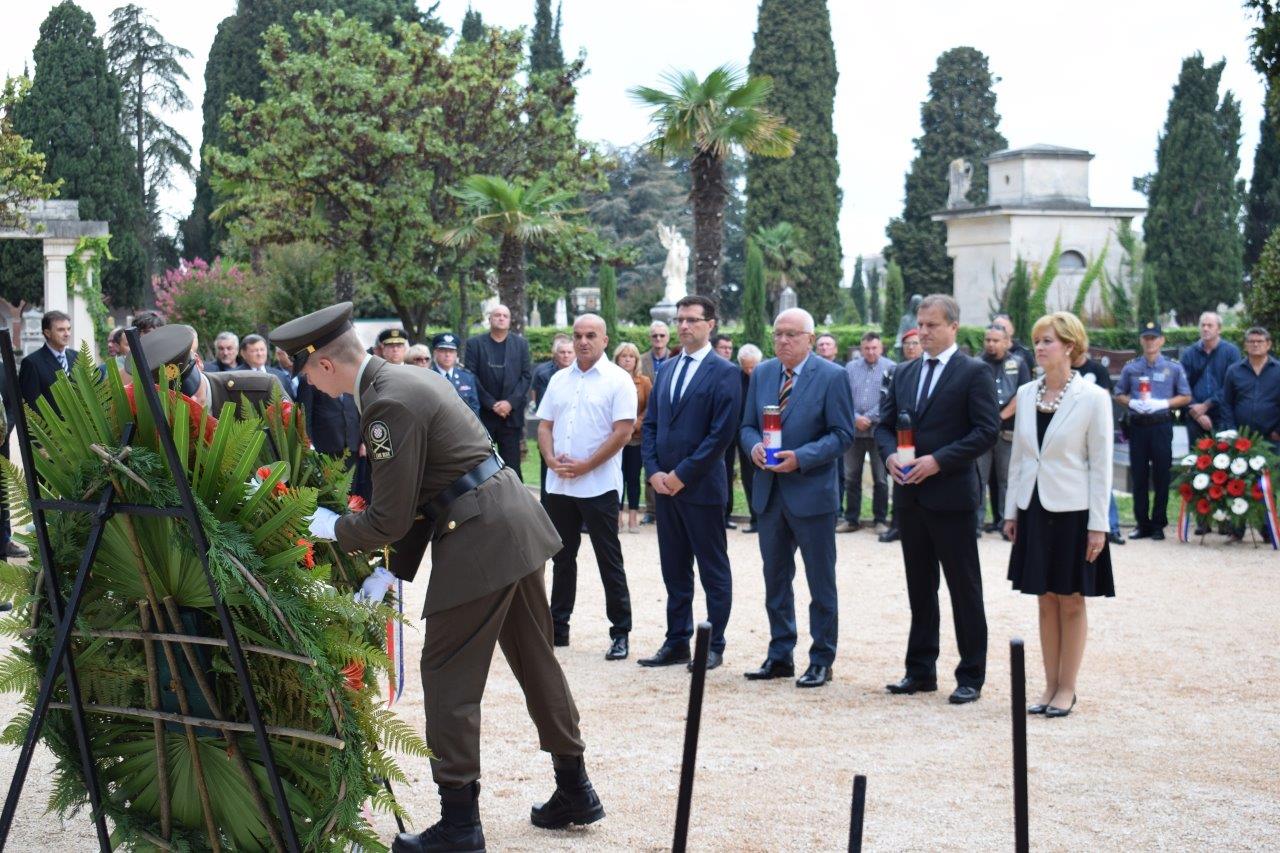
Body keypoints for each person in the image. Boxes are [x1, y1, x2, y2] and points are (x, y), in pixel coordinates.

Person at [271, 303, 603, 852]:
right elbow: (429, 493)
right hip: (509, 520)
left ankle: (459, 824)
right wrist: (392, 574)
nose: (307, 384)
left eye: (305, 373)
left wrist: (332, 528)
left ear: (324, 365)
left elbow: (391, 517)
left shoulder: (384, 406)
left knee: (447, 672)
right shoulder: (406, 379)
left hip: (480, 535)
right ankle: (575, 787)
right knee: (535, 656)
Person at [876, 294, 999, 704]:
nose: (922, 332)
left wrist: (939, 461)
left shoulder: (973, 372)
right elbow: (884, 425)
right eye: (920, 325)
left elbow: (986, 431)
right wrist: (890, 453)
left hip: (951, 497)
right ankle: (920, 669)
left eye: (931, 325)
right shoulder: (905, 372)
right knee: (920, 588)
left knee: (964, 588)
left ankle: (970, 675)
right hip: (910, 498)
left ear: (953, 327)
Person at [1005, 312, 1114, 719]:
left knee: (1070, 599)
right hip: (1033, 508)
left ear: (1069, 346)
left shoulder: (1092, 397)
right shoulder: (1028, 391)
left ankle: (1068, 688)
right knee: (1044, 598)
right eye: (1037, 341)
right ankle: (1049, 685)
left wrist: (1098, 525)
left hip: (1073, 511)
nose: (1039, 347)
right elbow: (1020, 456)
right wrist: (1013, 510)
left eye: (1047, 340)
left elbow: (1101, 465)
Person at [740, 309, 854, 688]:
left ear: (810, 337)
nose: (784, 341)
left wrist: (801, 458)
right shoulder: (763, 373)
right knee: (775, 578)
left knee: (820, 581)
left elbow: (842, 435)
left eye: (792, 334)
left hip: (812, 493)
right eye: (778, 334)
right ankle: (779, 654)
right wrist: (754, 446)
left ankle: (822, 658)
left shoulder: (833, 376)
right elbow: (746, 425)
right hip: (769, 493)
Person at [639, 295, 741, 671]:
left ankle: (713, 644)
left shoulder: (725, 372)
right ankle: (677, 640)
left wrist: (682, 475)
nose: (684, 326)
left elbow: (720, 436)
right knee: (674, 568)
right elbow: (650, 425)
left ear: (710, 324)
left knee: (713, 569)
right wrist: (653, 472)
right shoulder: (665, 369)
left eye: (692, 320)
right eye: (680, 319)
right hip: (665, 489)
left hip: (700, 489)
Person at [537, 315, 636, 659]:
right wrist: (549, 458)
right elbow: (545, 425)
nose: (582, 341)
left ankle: (620, 632)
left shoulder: (618, 380)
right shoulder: (559, 380)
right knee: (561, 558)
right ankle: (558, 628)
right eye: (578, 335)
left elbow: (623, 432)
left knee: (609, 559)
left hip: (598, 485)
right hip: (559, 484)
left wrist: (587, 465)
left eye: (590, 335)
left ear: (605, 340)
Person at [1114, 322, 1191, 540]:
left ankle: (1158, 523)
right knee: (1138, 476)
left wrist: (1164, 403)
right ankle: (1142, 523)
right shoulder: (1131, 368)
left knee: (1161, 476)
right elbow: (1119, 393)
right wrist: (1132, 403)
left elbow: (1186, 395)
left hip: (1161, 425)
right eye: (1146, 338)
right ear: (1141, 340)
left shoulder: (1173, 368)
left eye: (1154, 338)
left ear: (1162, 340)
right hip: (1138, 427)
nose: (1150, 342)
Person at [1218, 326, 1280, 541]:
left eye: (1260, 341)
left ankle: (1268, 530)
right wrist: (1232, 431)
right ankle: (1237, 529)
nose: (1255, 344)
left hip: (1270, 438)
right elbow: (1226, 403)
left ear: (1268, 344)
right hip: (1241, 439)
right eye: (1251, 341)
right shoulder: (1234, 371)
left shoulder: (1278, 370)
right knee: (1238, 483)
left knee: (1267, 485)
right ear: (1245, 345)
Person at [466, 305, 533, 479]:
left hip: (511, 416)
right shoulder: (475, 344)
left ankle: (515, 502)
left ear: (510, 321)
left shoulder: (521, 345)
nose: (501, 318)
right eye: (497, 315)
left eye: (505, 316)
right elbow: (471, 376)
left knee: (512, 466)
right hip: (484, 414)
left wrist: (509, 403)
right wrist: (491, 404)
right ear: (490, 319)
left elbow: (526, 376)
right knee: (482, 464)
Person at [838, 332, 894, 535]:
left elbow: (889, 399)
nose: (870, 352)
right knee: (851, 476)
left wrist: (869, 417)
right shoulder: (850, 368)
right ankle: (852, 519)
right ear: (861, 349)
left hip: (879, 430)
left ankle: (880, 520)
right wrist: (854, 417)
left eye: (874, 348)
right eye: (867, 348)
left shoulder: (890, 368)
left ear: (881, 348)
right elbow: (842, 395)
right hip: (854, 431)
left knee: (880, 478)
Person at [977, 323, 1030, 536]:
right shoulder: (976, 364)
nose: (991, 344)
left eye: (996, 340)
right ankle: (976, 525)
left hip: (1007, 431)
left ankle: (1006, 525)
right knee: (978, 479)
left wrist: (1000, 416)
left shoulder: (1019, 363)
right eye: (988, 340)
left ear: (1007, 342)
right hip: (981, 432)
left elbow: (1023, 394)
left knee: (1007, 480)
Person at [1073, 350, 1125, 546]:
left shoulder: (1097, 370)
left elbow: (1103, 400)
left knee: (1103, 479)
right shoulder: (1062, 370)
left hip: (1094, 430)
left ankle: (1112, 526)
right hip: (1071, 432)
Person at [878, 329, 921, 544]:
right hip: (898, 434)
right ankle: (897, 525)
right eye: (907, 344)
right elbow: (885, 403)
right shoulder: (896, 372)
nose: (911, 347)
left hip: (922, 440)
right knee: (900, 481)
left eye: (915, 343)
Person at [1181, 312, 1240, 445]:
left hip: (1223, 414)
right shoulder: (1189, 354)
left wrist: (1207, 405)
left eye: (1210, 325)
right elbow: (1182, 386)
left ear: (1219, 329)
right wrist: (1197, 412)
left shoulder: (1231, 352)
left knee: (1223, 459)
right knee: (1196, 460)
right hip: (1195, 415)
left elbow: (1231, 385)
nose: (1205, 328)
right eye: (1203, 325)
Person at [614, 342, 651, 534]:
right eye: (623, 356)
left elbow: (650, 407)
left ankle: (634, 518)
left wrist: (638, 421)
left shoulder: (643, 381)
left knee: (633, 478)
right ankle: (617, 517)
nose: (627, 359)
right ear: (617, 359)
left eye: (631, 356)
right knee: (616, 477)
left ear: (636, 360)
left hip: (636, 438)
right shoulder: (610, 380)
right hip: (615, 440)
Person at [532, 335, 575, 498]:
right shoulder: (543, 373)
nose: (566, 355)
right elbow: (541, 404)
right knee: (549, 475)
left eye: (569, 352)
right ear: (555, 354)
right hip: (551, 430)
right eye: (562, 352)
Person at [18, 310, 77, 410]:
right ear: (47, 333)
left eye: (69, 329)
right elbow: (31, 405)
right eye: (61, 330)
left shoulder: (77, 357)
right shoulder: (31, 363)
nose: (67, 334)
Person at [0, 358, 27, 560]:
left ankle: (4, 540)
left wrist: (4, 430)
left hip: (0, 444)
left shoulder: (3, 368)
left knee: (1, 492)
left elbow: (11, 406)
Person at [712, 334, 740, 528]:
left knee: (727, 473)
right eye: (724, 348)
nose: (727, 351)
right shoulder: (709, 371)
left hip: (731, 434)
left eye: (730, 348)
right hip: (710, 433)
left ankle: (726, 513)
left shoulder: (734, 372)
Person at [736, 344, 763, 533]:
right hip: (744, 436)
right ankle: (755, 519)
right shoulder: (736, 378)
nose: (750, 371)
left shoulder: (767, 376)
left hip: (766, 435)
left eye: (753, 366)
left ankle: (766, 519)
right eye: (746, 367)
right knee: (748, 478)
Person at [429, 333, 480, 416]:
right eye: (443, 350)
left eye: (451, 351)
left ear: (456, 354)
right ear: (435, 353)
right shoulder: (428, 376)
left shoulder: (467, 378)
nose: (447, 355)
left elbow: (474, 407)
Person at [239, 333, 294, 400]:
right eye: (254, 351)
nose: (259, 354)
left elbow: (290, 403)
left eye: (262, 349)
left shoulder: (280, 375)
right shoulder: (236, 376)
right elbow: (228, 405)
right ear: (243, 353)